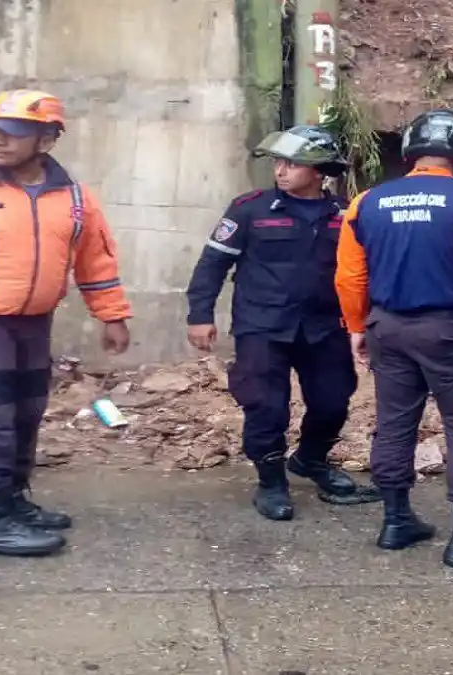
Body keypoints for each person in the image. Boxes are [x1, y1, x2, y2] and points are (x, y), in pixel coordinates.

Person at [0, 89, 132, 556]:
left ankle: (11, 500)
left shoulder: (77, 200)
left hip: (31, 323)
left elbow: (95, 261)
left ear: (47, 140)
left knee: (24, 411)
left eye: (12, 134)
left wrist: (112, 315)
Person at [335, 109, 453, 569]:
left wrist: (356, 326)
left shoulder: (367, 203)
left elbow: (349, 275)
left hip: (388, 329)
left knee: (395, 423)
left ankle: (397, 521)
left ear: (409, 153)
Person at [185, 124, 380, 521]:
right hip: (263, 326)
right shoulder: (249, 208)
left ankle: (310, 459)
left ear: (319, 170)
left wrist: (370, 320)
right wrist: (200, 314)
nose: (281, 170)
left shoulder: (346, 214)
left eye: (292, 164)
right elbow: (213, 264)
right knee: (266, 407)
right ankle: (271, 481)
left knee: (332, 401)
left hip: (325, 327)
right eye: (278, 163)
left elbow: (367, 270)